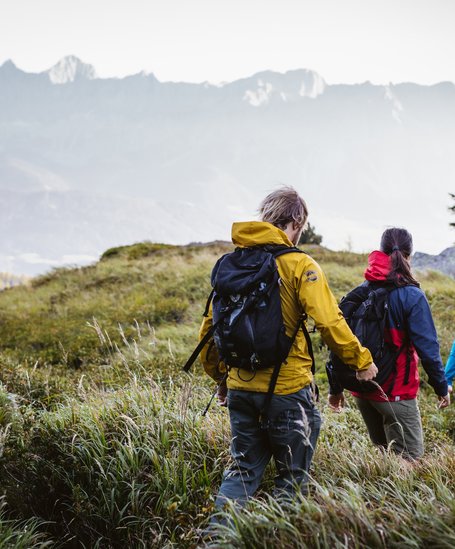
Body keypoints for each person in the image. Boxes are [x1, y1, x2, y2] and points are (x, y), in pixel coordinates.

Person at [199, 186, 377, 507]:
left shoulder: (231, 263)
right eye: (302, 226)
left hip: (240, 387)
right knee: (292, 479)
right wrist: (361, 360)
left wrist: (222, 379)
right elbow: (329, 322)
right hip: (288, 390)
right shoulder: (300, 264)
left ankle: (217, 539)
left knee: (241, 472)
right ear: (296, 221)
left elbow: (210, 331)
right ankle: (280, 534)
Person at [329, 227, 450, 460]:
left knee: (384, 455)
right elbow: (428, 350)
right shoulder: (412, 296)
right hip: (395, 393)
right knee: (409, 459)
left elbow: (338, 343)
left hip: (362, 390)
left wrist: (335, 389)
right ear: (408, 255)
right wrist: (441, 387)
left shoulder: (361, 291)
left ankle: (371, 496)